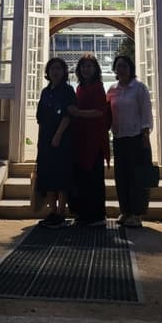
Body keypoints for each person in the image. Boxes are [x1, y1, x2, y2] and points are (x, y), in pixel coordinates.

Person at [106, 55, 153, 228]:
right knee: (121, 176)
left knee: (137, 177)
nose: (121, 69)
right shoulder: (112, 89)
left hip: (137, 137)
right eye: (118, 66)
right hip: (119, 138)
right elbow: (107, 112)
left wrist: (146, 135)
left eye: (124, 66)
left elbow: (146, 111)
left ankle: (137, 214)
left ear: (130, 68)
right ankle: (125, 211)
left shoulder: (139, 88)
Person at [68, 53, 110, 228]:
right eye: (83, 66)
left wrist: (78, 113)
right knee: (83, 178)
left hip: (94, 140)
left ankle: (97, 215)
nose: (86, 69)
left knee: (94, 178)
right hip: (81, 139)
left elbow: (100, 112)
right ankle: (84, 214)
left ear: (95, 69)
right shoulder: (80, 88)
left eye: (89, 66)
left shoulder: (98, 87)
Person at [35, 57, 76, 228]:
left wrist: (58, 135)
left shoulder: (67, 90)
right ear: (48, 71)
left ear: (64, 71)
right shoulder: (45, 92)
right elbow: (40, 118)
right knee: (48, 176)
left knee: (61, 176)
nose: (55, 71)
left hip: (62, 139)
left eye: (59, 68)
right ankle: (52, 212)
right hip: (45, 139)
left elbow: (68, 115)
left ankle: (61, 212)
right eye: (52, 68)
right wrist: (40, 141)